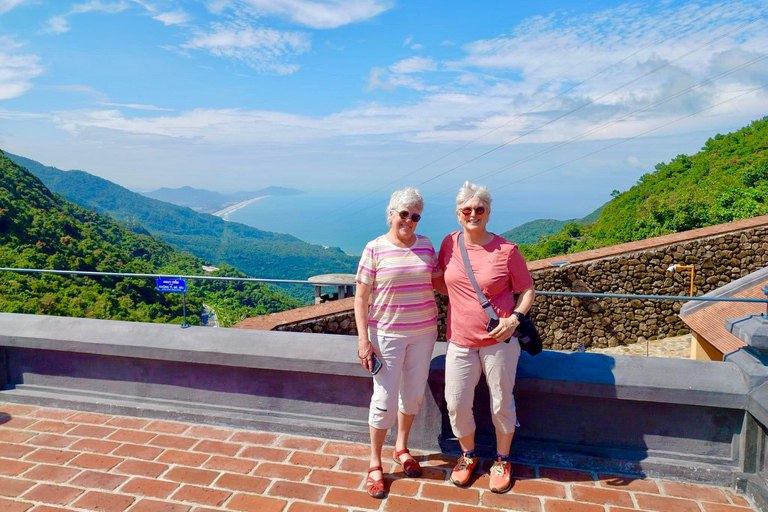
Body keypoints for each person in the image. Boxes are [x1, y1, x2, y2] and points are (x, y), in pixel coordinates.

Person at [436, 181, 535, 494]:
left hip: (500, 343)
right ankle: (467, 455)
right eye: (467, 209)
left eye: (480, 209)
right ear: (458, 214)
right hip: (460, 341)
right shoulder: (449, 244)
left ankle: (502, 459)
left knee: (501, 403)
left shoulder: (507, 250)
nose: (473, 214)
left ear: (489, 213)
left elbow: (527, 290)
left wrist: (514, 319)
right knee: (456, 403)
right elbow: (443, 281)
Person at [354, 187, 443, 499]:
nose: (409, 220)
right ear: (391, 214)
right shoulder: (375, 248)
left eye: (415, 215)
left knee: (414, 395)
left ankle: (401, 447)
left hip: (424, 332)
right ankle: (375, 462)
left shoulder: (427, 246)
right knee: (384, 399)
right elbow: (361, 298)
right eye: (404, 213)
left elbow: (440, 282)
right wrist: (364, 341)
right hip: (386, 335)